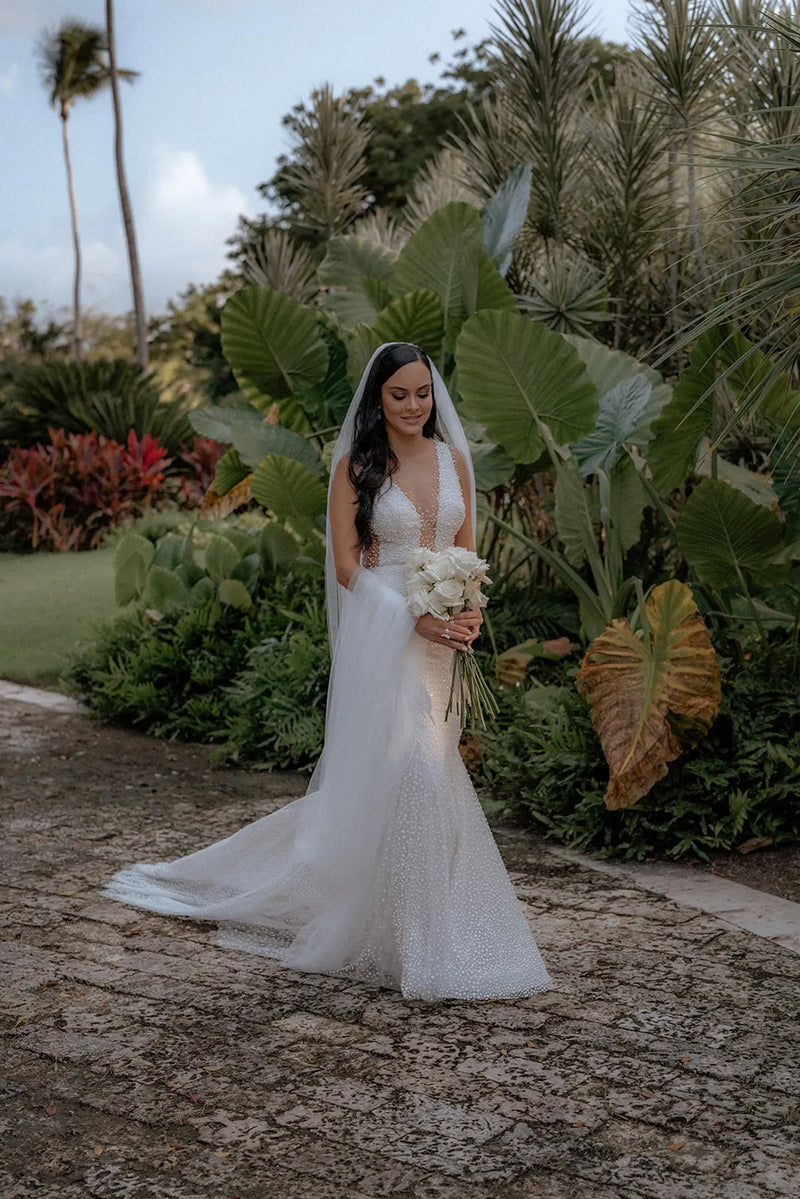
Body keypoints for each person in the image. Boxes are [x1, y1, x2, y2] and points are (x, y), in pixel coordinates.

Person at [104, 342, 553, 1001]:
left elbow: (467, 552)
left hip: (444, 642)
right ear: (378, 397)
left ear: (434, 395)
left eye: (422, 393)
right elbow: (349, 566)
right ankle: (425, 945)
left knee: (430, 773)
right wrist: (413, 616)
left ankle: (410, 918)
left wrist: (468, 612)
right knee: (422, 776)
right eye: (398, 394)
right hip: (389, 632)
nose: (412, 405)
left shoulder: (457, 461)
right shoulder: (357, 467)